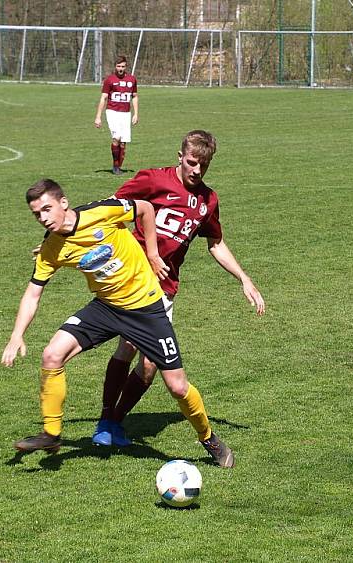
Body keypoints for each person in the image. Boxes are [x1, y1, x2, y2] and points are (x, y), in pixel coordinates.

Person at [1, 179, 235, 468]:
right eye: (37, 214)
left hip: (146, 308)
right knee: (51, 354)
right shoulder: (52, 248)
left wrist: (152, 253)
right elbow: (33, 291)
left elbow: (146, 209)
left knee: (176, 386)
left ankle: (208, 437)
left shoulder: (101, 212)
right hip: (106, 308)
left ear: (63, 203)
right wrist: (16, 335)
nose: (44, 218)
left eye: (47, 209)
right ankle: (51, 433)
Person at [91, 130, 266, 448]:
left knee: (151, 362)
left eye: (204, 165)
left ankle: (115, 421)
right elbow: (111, 209)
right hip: (136, 278)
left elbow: (216, 243)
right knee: (128, 346)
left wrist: (244, 278)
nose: (197, 170)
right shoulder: (153, 181)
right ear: (180, 156)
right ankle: (106, 420)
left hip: (167, 286)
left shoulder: (208, 200)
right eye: (191, 162)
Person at [94, 55, 138, 175]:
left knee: (123, 142)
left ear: (126, 67)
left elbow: (134, 97)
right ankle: (115, 166)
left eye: (123, 66)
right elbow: (103, 98)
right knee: (116, 138)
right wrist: (98, 117)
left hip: (126, 114)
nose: (120, 68)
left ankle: (118, 166)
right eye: (118, 66)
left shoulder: (132, 79)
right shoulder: (109, 80)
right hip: (112, 112)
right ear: (115, 66)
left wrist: (136, 114)